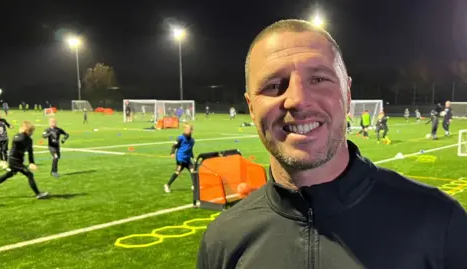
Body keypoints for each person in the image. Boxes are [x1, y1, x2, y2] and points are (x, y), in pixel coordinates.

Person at [197, 19, 467, 269]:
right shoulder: (223, 240)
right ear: (251, 107)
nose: (297, 100)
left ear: (347, 94)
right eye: (274, 85)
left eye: (318, 79)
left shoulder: (440, 223)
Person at [0, 121, 48, 199]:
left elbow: (30, 152)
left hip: (19, 161)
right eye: (31, 131)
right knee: (29, 174)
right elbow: (16, 140)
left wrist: (31, 162)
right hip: (14, 160)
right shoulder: (18, 136)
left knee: (8, 175)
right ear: (27, 130)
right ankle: (38, 194)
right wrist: (22, 133)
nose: (32, 132)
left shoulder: (29, 140)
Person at [164, 123, 195, 193]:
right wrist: (172, 153)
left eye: (189, 129)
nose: (187, 131)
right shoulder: (180, 138)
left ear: (192, 131)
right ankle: (167, 185)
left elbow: (190, 149)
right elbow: (174, 146)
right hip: (180, 159)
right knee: (177, 172)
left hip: (188, 160)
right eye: (186, 129)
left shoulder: (192, 140)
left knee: (193, 171)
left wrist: (193, 157)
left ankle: (194, 186)